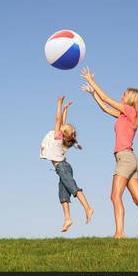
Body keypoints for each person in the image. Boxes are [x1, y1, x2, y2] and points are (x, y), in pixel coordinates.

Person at [80, 67, 138, 239]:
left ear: (131, 99)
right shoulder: (125, 115)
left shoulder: (129, 110)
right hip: (131, 159)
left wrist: (91, 80)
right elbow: (105, 108)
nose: (122, 96)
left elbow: (107, 98)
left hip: (125, 159)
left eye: (124, 94)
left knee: (115, 196)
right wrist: (93, 95)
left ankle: (119, 233)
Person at [40, 95, 94, 232]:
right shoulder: (64, 140)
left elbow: (58, 120)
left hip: (63, 168)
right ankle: (68, 219)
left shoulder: (58, 138)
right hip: (63, 168)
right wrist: (65, 109)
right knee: (63, 196)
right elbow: (62, 122)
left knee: (74, 188)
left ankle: (88, 208)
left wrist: (59, 103)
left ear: (62, 134)